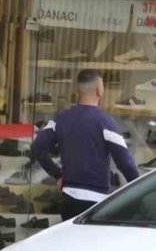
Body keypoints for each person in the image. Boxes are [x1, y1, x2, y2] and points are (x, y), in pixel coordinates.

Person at [32, 69, 139, 220]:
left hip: (69, 198)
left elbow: (38, 146)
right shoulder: (106, 121)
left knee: (71, 243)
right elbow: (125, 163)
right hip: (97, 202)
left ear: (78, 91)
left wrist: (57, 175)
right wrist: (139, 191)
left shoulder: (61, 118)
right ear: (99, 90)